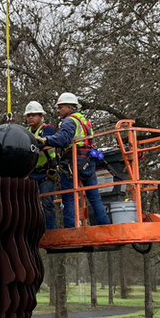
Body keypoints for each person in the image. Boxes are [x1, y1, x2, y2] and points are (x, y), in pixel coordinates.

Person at [34, 93, 111, 229]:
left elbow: (63, 139)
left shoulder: (70, 121)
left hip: (73, 162)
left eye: (61, 107)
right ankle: (106, 226)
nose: (58, 110)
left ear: (69, 107)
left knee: (69, 198)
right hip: (88, 161)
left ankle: (70, 229)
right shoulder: (84, 120)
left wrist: (46, 140)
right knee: (94, 197)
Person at [24, 101, 57, 230]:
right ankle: (32, 229)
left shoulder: (47, 129)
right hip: (31, 173)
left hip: (46, 173)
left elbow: (44, 144)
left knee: (47, 203)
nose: (30, 118)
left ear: (41, 116)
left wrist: (30, 147)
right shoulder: (25, 132)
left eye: (33, 115)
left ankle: (50, 230)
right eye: (28, 115)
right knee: (29, 204)